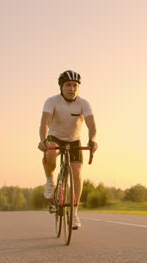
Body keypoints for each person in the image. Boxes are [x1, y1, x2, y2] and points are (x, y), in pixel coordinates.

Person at [38, 70, 98, 229]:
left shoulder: (84, 103)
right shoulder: (52, 101)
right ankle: (50, 181)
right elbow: (44, 123)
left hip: (74, 141)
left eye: (75, 85)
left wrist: (92, 140)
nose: (72, 88)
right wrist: (43, 140)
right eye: (68, 85)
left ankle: (75, 213)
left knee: (77, 173)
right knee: (50, 152)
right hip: (55, 137)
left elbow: (91, 125)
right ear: (61, 87)